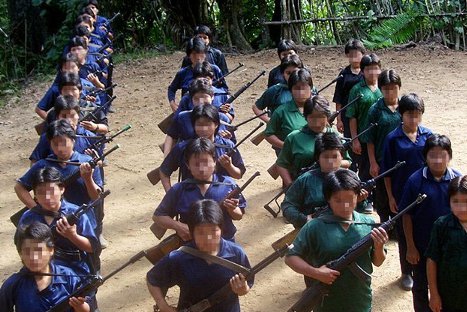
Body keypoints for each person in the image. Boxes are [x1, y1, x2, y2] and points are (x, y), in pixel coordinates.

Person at [285, 169, 388, 311]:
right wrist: (316, 273)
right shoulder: (315, 226)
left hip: (360, 301)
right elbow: (290, 258)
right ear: (328, 199)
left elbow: (378, 262)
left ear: (358, 196)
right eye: (338, 200)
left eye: (350, 199)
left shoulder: (368, 224)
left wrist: (379, 247)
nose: (345, 206)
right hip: (327, 303)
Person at [147, 199, 252, 312]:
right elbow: (152, 279)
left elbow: (247, 284)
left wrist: (243, 289)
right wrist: (163, 306)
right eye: (201, 233)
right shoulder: (179, 258)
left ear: (221, 229)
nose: (208, 239)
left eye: (213, 231)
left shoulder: (236, 254)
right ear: (192, 233)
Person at [400, 134, 462, 312]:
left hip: (449, 246)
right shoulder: (415, 181)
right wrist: (410, 246)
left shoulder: (457, 181)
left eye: (442, 155)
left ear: (449, 156)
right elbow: (406, 215)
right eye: (432, 155)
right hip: (422, 246)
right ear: (425, 156)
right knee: (420, 285)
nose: (437, 160)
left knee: (445, 284)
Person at [14, 119, 103, 234]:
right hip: (51, 224)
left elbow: (96, 197)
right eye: (55, 144)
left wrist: (88, 178)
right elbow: (19, 187)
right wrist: (36, 208)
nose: (60, 148)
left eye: (64, 142)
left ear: (73, 140)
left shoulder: (87, 162)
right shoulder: (43, 164)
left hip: (83, 222)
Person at [382, 93, 432, 290]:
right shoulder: (393, 139)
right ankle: (406, 272)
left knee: (424, 231)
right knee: (405, 235)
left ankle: (426, 270)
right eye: (409, 114)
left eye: (417, 114)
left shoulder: (428, 136)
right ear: (401, 115)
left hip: (424, 192)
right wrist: (391, 196)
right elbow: (387, 171)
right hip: (402, 194)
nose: (414, 119)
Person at [153, 138, 247, 242]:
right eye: (196, 164)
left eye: (206, 163)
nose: (202, 169)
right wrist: (179, 226)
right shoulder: (180, 189)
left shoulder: (229, 185)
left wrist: (232, 209)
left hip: (224, 246)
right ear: (188, 165)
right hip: (191, 247)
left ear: (214, 162)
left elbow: (238, 216)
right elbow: (158, 216)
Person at [16, 167, 99, 276]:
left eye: (51, 191)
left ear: (61, 189)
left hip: (74, 273)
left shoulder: (76, 213)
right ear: (35, 195)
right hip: (38, 272)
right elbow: (20, 246)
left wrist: (72, 236)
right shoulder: (29, 217)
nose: (47, 197)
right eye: (41, 193)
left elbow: (92, 247)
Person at [281, 133, 366, 229]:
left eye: (334, 157)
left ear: (342, 157)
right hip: (313, 232)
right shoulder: (305, 180)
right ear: (318, 158)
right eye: (326, 157)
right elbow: (287, 205)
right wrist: (304, 220)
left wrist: (360, 201)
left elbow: (360, 212)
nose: (330, 161)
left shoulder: (351, 178)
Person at [0, 222, 90, 312]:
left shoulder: (68, 277)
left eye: (38, 250)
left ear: (51, 250)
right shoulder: (13, 285)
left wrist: (79, 306)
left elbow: (87, 308)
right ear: (20, 254)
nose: (33, 257)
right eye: (27, 252)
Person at [160, 105, 245, 192]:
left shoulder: (227, 146)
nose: (203, 129)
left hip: (220, 197)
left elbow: (239, 175)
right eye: (199, 125)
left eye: (208, 124)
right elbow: (164, 172)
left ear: (216, 124)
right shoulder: (183, 147)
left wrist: (229, 166)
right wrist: (170, 196)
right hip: (190, 198)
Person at [276, 95, 349, 187]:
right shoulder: (293, 138)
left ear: (327, 116)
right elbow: (281, 164)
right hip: (302, 188)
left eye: (321, 117)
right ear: (305, 117)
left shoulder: (335, 136)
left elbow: (347, 161)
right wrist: (291, 186)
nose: (317, 123)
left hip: (331, 188)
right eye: (312, 118)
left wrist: (330, 163)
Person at [426, 175, 467, 312]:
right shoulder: (441, 225)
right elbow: (432, 259)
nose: (462, 208)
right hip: (449, 295)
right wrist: (434, 294)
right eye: (456, 202)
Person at [367, 69, 402, 223]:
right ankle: (384, 221)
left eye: (393, 88)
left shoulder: (405, 107)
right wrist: (373, 162)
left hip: (401, 158)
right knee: (382, 194)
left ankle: (397, 222)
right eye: (386, 88)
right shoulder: (375, 110)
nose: (390, 92)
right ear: (381, 89)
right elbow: (370, 139)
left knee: (399, 191)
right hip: (382, 158)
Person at [345, 53, 382, 182]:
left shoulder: (384, 87)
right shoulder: (356, 90)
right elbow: (352, 116)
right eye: (368, 69)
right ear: (362, 71)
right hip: (364, 137)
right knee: (366, 170)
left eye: (375, 68)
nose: (372, 72)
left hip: (381, 137)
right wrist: (355, 140)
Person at [30, 95, 97, 164]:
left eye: (72, 115)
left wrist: (94, 161)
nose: (68, 120)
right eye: (64, 116)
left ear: (78, 115)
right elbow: (35, 161)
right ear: (57, 116)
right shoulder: (48, 136)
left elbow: (102, 163)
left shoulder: (89, 136)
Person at [167, 37, 226, 112]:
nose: (198, 57)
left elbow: (224, 88)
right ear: (188, 55)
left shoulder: (215, 69)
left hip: (213, 111)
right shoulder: (183, 73)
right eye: (194, 54)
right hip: (189, 111)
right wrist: (173, 104)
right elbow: (171, 89)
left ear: (205, 53)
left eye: (200, 53)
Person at [264, 68, 312, 156]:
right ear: (291, 90)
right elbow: (268, 134)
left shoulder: (318, 109)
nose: (301, 92)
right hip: (290, 158)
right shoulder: (281, 111)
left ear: (311, 88)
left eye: (304, 87)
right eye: (297, 88)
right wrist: (287, 146)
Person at [253, 54, 303, 122]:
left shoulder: (309, 89)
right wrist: (271, 122)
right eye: (288, 73)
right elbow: (256, 107)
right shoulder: (275, 90)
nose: (292, 76)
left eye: (295, 72)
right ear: (283, 74)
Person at [333, 39, 365, 138]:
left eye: (357, 54)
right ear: (347, 55)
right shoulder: (343, 74)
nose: (354, 58)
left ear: (363, 54)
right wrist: (339, 120)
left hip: (364, 113)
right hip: (347, 115)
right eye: (351, 55)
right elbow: (338, 98)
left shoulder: (367, 73)